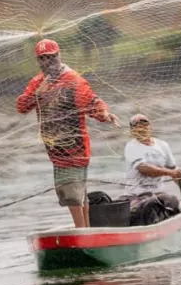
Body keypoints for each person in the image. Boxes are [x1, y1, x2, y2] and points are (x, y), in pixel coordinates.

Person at [16, 38, 121, 228]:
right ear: (38, 61)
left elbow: (91, 101)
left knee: (71, 193)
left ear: (58, 55)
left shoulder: (72, 79)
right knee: (78, 192)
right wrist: (38, 92)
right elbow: (22, 107)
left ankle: (82, 232)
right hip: (55, 149)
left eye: (50, 57)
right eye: (42, 59)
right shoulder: (38, 82)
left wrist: (105, 115)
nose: (47, 62)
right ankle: (86, 229)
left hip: (75, 146)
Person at [121, 113, 181, 212]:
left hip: (158, 193)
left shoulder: (163, 145)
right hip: (135, 195)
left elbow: (176, 172)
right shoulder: (131, 146)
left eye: (145, 125)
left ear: (150, 127)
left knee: (173, 204)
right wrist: (170, 173)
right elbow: (143, 168)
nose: (142, 128)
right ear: (132, 131)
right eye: (137, 126)